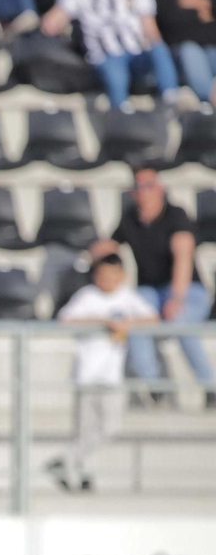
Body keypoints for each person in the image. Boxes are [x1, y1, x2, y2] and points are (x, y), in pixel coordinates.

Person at [89, 164, 216, 407]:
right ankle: (154, 384)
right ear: (133, 192)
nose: (145, 191)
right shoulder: (131, 219)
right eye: (140, 187)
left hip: (187, 289)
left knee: (180, 321)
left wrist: (177, 297)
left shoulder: (176, 215)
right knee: (132, 318)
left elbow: (183, 257)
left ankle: (209, 385)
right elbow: (108, 246)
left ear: (160, 188)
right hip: (151, 291)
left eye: (150, 185)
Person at [45, 254, 161, 490]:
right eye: (102, 275)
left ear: (122, 276)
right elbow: (65, 320)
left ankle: (65, 460)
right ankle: (83, 475)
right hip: (86, 375)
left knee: (110, 428)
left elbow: (153, 319)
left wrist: (128, 323)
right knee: (84, 429)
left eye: (111, 275)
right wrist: (103, 322)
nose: (106, 280)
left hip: (111, 376)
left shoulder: (126, 297)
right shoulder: (87, 296)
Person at [42, 0, 181, 105]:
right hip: (104, 55)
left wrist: (156, 49)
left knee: (159, 50)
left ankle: (171, 100)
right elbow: (55, 17)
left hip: (135, 53)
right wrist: (53, 25)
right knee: (115, 73)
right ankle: (121, 111)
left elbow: (150, 29)